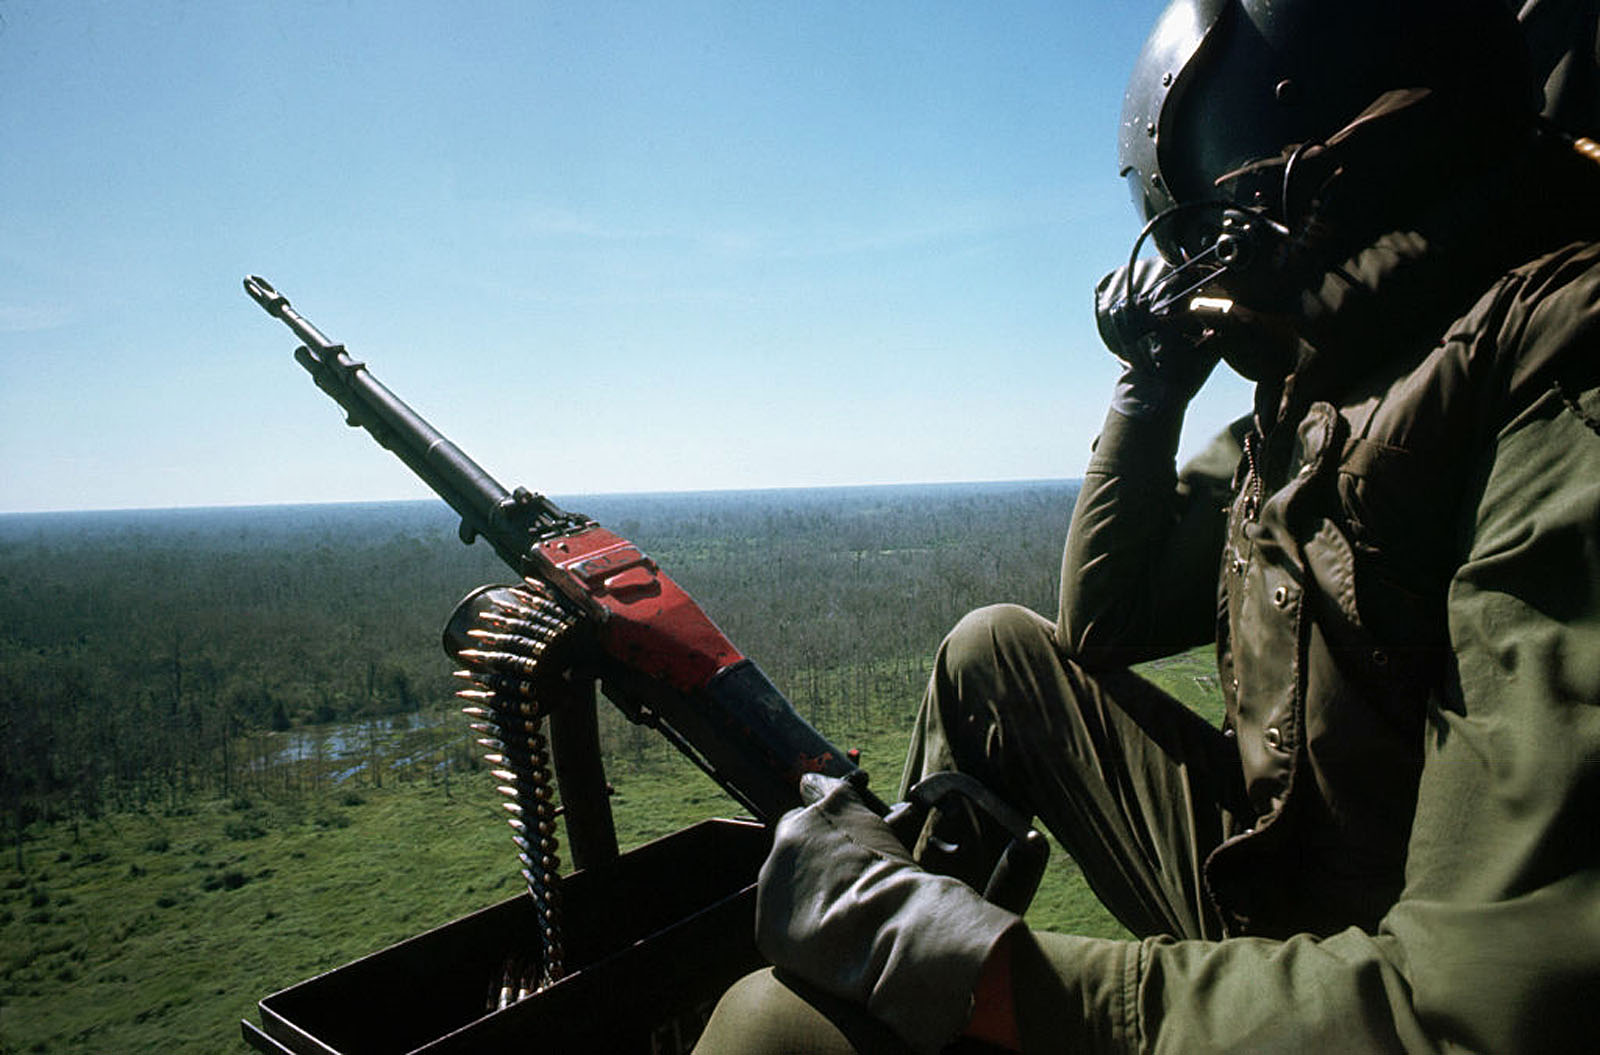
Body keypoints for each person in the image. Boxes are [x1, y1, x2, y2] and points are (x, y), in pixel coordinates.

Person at [693, 0, 1600, 1052]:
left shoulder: (1554, 352)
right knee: (991, 654)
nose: (1205, 263)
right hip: (1282, 866)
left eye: (1216, 223)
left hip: (1372, 972)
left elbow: (1481, 1012)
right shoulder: (1321, 398)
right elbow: (1102, 618)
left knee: (765, 1028)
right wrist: (1151, 388)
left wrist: (967, 966)